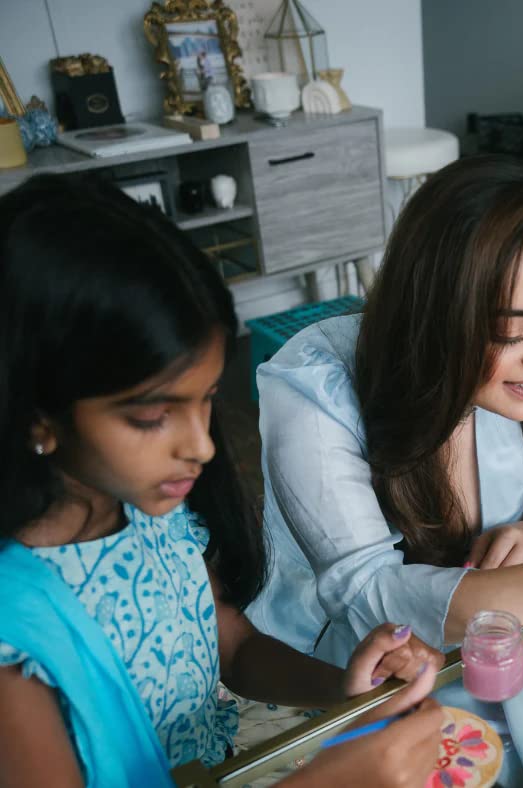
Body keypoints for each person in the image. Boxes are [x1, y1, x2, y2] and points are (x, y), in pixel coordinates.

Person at [0, 174, 444, 788]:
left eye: (206, 398)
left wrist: (345, 688)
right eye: (154, 416)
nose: (202, 445)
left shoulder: (152, 510)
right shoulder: (14, 643)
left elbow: (229, 645)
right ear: (37, 413)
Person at [247, 155, 523, 666]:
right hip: (360, 666)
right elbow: (365, 596)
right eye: (510, 331)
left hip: (510, 632)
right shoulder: (315, 388)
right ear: (434, 315)